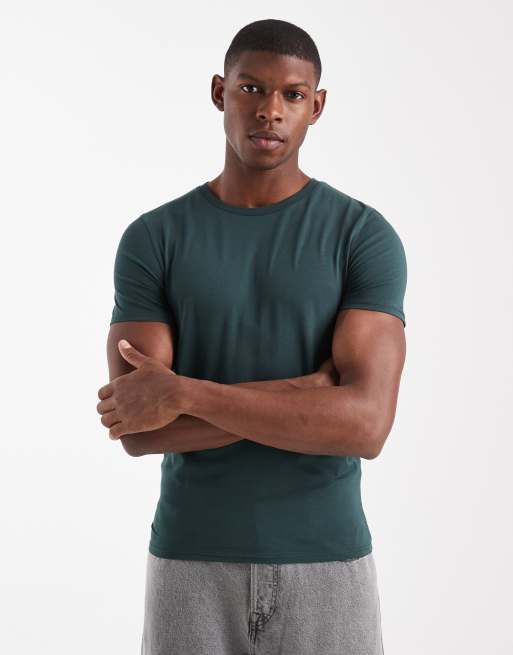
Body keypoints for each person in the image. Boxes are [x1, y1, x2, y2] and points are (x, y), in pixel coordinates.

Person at [96, 18, 407, 655]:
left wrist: (185, 393)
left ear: (317, 106)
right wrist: (305, 394)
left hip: (328, 562)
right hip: (190, 561)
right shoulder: (155, 239)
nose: (270, 110)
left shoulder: (361, 236)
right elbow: (140, 429)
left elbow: (366, 425)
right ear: (220, 91)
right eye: (251, 89)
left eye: (293, 94)